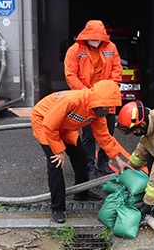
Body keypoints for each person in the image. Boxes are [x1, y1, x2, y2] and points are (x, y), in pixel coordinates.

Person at [31, 80, 124, 223]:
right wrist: (59, 151)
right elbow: (49, 125)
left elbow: (104, 136)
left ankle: (82, 192)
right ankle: (57, 208)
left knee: (81, 157)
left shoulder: (96, 112)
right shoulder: (72, 100)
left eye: (111, 106)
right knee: (55, 164)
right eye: (107, 105)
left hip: (65, 128)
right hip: (44, 123)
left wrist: (118, 159)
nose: (108, 109)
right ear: (98, 100)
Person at [64, 20, 123, 178]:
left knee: (108, 132)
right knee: (88, 135)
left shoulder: (111, 48)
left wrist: (108, 89)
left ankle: (103, 163)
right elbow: (71, 75)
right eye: (93, 38)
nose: (95, 41)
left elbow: (117, 69)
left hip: (106, 99)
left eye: (98, 39)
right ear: (86, 37)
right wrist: (87, 93)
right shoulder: (74, 50)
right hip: (87, 99)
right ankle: (89, 166)